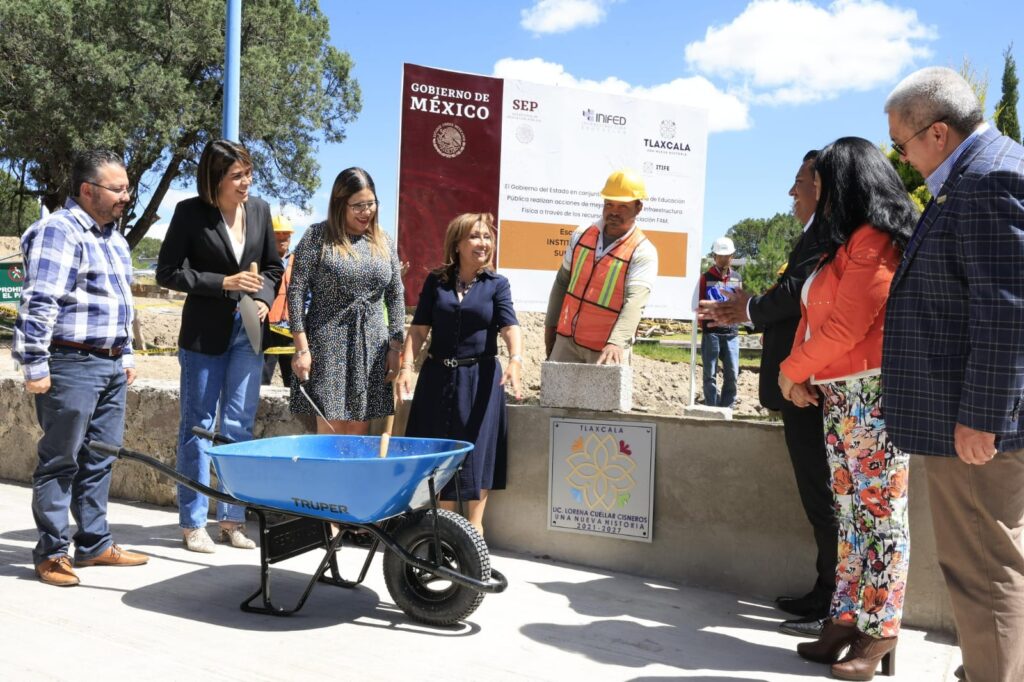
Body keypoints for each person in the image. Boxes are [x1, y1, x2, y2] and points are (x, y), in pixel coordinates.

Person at [882, 66, 1024, 682]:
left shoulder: (989, 178)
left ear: (937, 133)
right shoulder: (977, 175)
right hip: (965, 419)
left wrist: (981, 418)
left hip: (972, 429)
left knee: (983, 570)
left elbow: (1008, 311)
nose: (903, 159)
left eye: (902, 144)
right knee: (988, 564)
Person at [777, 137, 916, 680]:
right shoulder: (846, 243)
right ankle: (846, 619)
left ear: (848, 183)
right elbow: (813, 319)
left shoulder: (875, 241)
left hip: (875, 394)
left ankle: (880, 630)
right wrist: (799, 371)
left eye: (824, 183)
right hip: (840, 395)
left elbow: (847, 325)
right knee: (853, 518)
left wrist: (792, 371)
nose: (819, 194)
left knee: (880, 518)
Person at [700, 150, 837, 638]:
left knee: (825, 495)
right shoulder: (813, 235)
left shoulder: (828, 235)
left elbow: (796, 295)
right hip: (796, 387)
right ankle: (826, 589)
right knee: (816, 495)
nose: (791, 192)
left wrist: (749, 308)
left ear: (822, 186)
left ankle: (835, 599)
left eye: (799, 181)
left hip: (810, 388)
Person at [13, 150, 149, 586]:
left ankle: (94, 544)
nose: (126, 196)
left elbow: (119, 305)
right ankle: (52, 552)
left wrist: (125, 356)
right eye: (118, 188)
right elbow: (40, 301)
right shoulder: (59, 230)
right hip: (70, 362)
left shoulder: (115, 240)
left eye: (128, 188)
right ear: (88, 190)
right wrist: (35, 363)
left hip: (110, 365)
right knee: (60, 460)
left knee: (101, 458)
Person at [156, 139, 282, 553]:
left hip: (250, 331)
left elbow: (273, 267)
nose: (246, 182)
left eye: (248, 173)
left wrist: (264, 299)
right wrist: (222, 283)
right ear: (215, 179)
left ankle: (232, 520)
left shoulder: (260, 210)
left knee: (239, 427)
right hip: (203, 334)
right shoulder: (189, 213)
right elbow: (167, 272)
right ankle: (193, 523)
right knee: (198, 425)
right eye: (237, 176)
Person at [398, 213, 523, 537]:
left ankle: (474, 531)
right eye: (475, 236)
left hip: (480, 379)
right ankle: (444, 530)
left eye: (487, 237)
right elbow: (419, 329)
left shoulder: (497, 284)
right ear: (457, 243)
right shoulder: (436, 282)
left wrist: (516, 359)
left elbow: (510, 326)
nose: (483, 243)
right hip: (437, 378)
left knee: (477, 450)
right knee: (439, 450)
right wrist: (406, 366)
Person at [287, 167, 404, 433]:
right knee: (331, 432)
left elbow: (396, 295)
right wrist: (302, 349)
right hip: (328, 345)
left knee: (359, 434)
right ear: (340, 204)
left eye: (371, 203)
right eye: (358, 206)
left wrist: (395, 348)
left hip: (372, 347)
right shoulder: (317, 236)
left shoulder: (384, 240)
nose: (366, 211)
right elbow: (296, 292)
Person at [544, 168, 658, 365]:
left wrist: (616, 342)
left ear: (639, 207)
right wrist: (550, 325)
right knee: (555, 386)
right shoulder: (581, 235)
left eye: (623, 206)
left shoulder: (642, 251)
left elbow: (635, 302)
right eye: (609, 204)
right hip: (567, 340)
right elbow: (562, 282)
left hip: (608, 349)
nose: (614, 211)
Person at [698, 236, 741, 408]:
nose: (724, 259)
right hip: (711, 334)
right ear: (714, 256)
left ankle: (727, 409)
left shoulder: (737, 277)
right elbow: (699, 304)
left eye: (727, 256)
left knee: (732, 373)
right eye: (720, 256)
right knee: (710, 374)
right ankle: (712, 407)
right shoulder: (705, 278)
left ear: (732, 256)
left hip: (731, 333)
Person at [262, 214, 295, 386]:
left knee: (294, 383)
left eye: (286, 235)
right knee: (261, 381)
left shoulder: (298, 262)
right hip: (267, 329)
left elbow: (308, 296)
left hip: (291, 330)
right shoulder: (262, 261)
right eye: (278, 235)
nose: (282, 239)